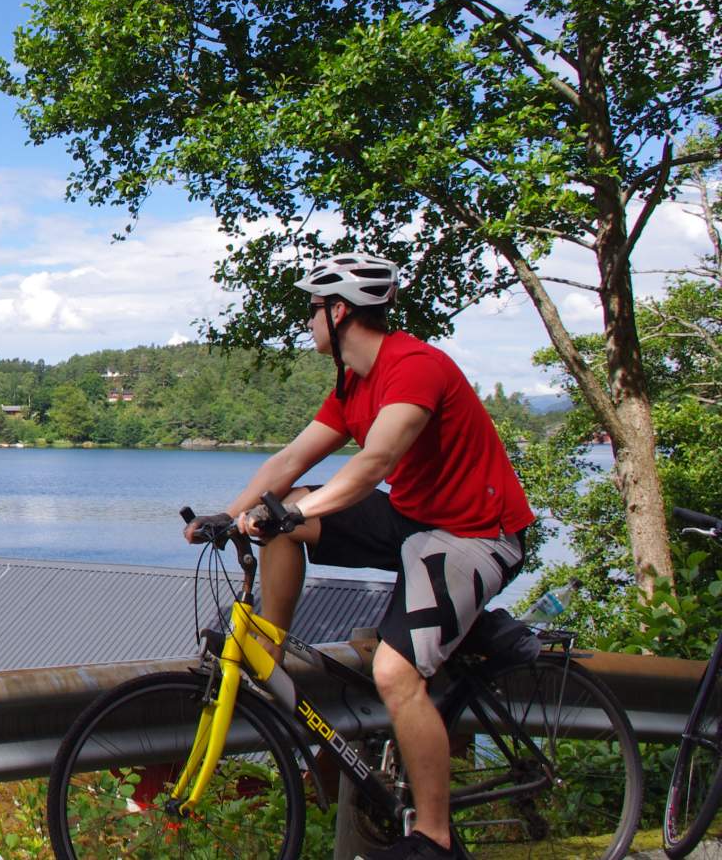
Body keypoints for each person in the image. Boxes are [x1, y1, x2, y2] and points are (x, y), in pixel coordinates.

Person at [184, 252, 535, 860]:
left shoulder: (414, 368)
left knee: (395, 673)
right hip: (416, 522)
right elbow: (288, 463)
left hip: (474, 534)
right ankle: (272, 648)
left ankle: (434, 837)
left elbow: (375, 463)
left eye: (313, 310)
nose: (308, 322)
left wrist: (296, 512)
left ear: (339, 310)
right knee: (286, 507)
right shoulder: (353, 383)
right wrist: (230, 514)